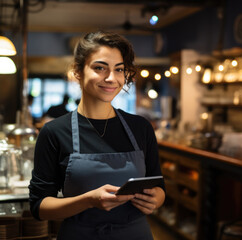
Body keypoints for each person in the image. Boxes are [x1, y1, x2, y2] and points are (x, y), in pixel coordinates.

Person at [29, 31, 165, 240]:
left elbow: (159, 187)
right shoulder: (54, 132)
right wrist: (88, 200)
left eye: (118, 69)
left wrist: (156, 199)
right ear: (78, 72)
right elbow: (39, 207)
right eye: (100, 68)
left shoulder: (140, 127)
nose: (111, 78)